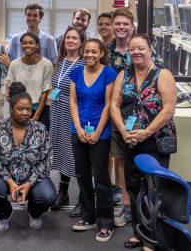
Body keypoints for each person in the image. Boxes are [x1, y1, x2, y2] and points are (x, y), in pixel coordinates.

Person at [110, 33, 177, 250]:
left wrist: (146, 132)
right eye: (132, 49)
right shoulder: (124, 75)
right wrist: (123, 131)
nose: (136, 52)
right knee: (133, 189)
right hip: (130, 141)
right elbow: (114, 105)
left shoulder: (162, 74)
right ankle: (139, 233)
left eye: (141, 48)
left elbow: (168, 109)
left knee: (154, 189)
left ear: (150, 50)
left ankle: (153, 239)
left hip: (155, 141)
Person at [0, 82, 57, 232]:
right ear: (11, 109)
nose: (25, 113)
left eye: (28, 109)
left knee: (49, 196)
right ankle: (4, 213)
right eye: (20, 108)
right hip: (6, 176)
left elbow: (47, 159)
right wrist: (10, 182)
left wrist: (29, 183)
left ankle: (34, 212)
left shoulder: (40, 129)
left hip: (33, 177)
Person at [70, 38, 118, 242]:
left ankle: (106, 222)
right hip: (78, 130)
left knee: (101, 178)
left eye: (93, 52)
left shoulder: (109, 73)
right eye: (86, 51)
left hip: (101, 133)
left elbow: (108, 105)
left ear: (101, 54)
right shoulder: (76, 73)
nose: (89, 55)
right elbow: (73, 101)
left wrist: (98, 131)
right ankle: (87, 216)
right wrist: (78, 128)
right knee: (82, 175)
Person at [49, 26, 85, 211]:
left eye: (74, 38)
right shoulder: (60, 61)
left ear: (81, 42)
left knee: (75, 155)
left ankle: (83, 198)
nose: (70, 41)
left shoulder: (84, 64)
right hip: (58, 113)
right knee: (63, 153)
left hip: (74, 113)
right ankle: (63, 193)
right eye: (68, 38)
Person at [107, 7, 136, 224]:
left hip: (135, 112)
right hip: (111, 109)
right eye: (117, 23)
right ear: (112, 26)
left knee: (130, 159)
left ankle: (130, 203)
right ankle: (118, 201)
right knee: (115, 156)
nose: (121, 27)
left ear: (132, 27)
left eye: (125, 24)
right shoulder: (106, 52)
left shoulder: (140, 48)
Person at [3, 31, 53, 129]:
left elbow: (45, 92)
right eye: (24, 43)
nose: (27, 45)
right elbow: (11, 90)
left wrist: (36, 117)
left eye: (31, 43)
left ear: (37, 45)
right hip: (19, 111)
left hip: (40, 110)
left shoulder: (46, 64)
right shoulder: (14, 64)